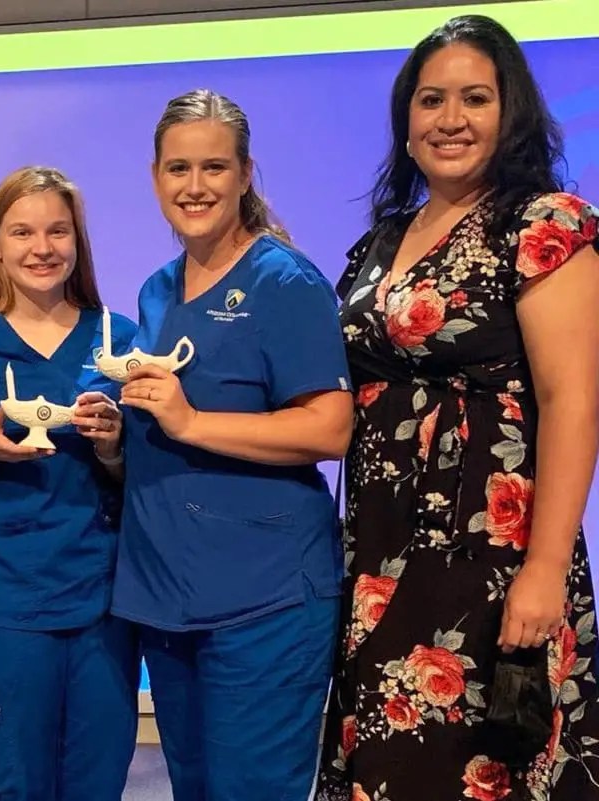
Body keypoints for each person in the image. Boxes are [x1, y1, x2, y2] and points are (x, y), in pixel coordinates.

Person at [316, 14, 599, 801]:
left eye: (475, 98)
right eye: (431, 99)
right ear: (406, 122)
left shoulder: (543, 223)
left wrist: (544, 570)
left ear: (511, 112)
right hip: (381, 550)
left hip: (490, 554)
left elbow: (573, 401)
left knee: (478, 768)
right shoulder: (383, 239)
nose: (450, 118)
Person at [112, 89, 354, 800]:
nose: (195, 186)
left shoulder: (285, 281)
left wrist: (191, 421)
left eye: (214, 167)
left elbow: (329, 427)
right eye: (178, 168)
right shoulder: (157, 291)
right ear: (155, 176)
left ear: (245, 173)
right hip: (168, 596)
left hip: (264, 599)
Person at [0, 165, 139, 801]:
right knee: (18, 788)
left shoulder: (119, 340)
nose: (42, 248)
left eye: (57, 231)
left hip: (103, 602)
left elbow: (144, 481)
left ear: (78, 243)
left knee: (97, 786)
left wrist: (113, 448)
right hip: (1, 604)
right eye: (22, 232)